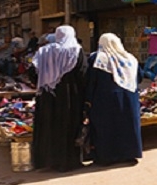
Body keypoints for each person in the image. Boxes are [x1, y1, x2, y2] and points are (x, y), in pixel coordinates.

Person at [32, 26, 86, 172]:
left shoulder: (44, 51)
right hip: (69, 96)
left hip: (47, 96)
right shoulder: (75, 50)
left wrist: (47, 79)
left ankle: (47, 161)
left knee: (49, 126)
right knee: (68, 126)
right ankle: (68, 162)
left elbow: (33, 72)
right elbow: (82, 74)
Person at [84, 33, 142, 167]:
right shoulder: (130, 58)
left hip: (104, 99)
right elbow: (139, 77)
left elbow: (91, 81)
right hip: (129, 98)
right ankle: (129, 155)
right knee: (127, 126)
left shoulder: (98, 59)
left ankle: (106, 157)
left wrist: (88, 99)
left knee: (106, 127)